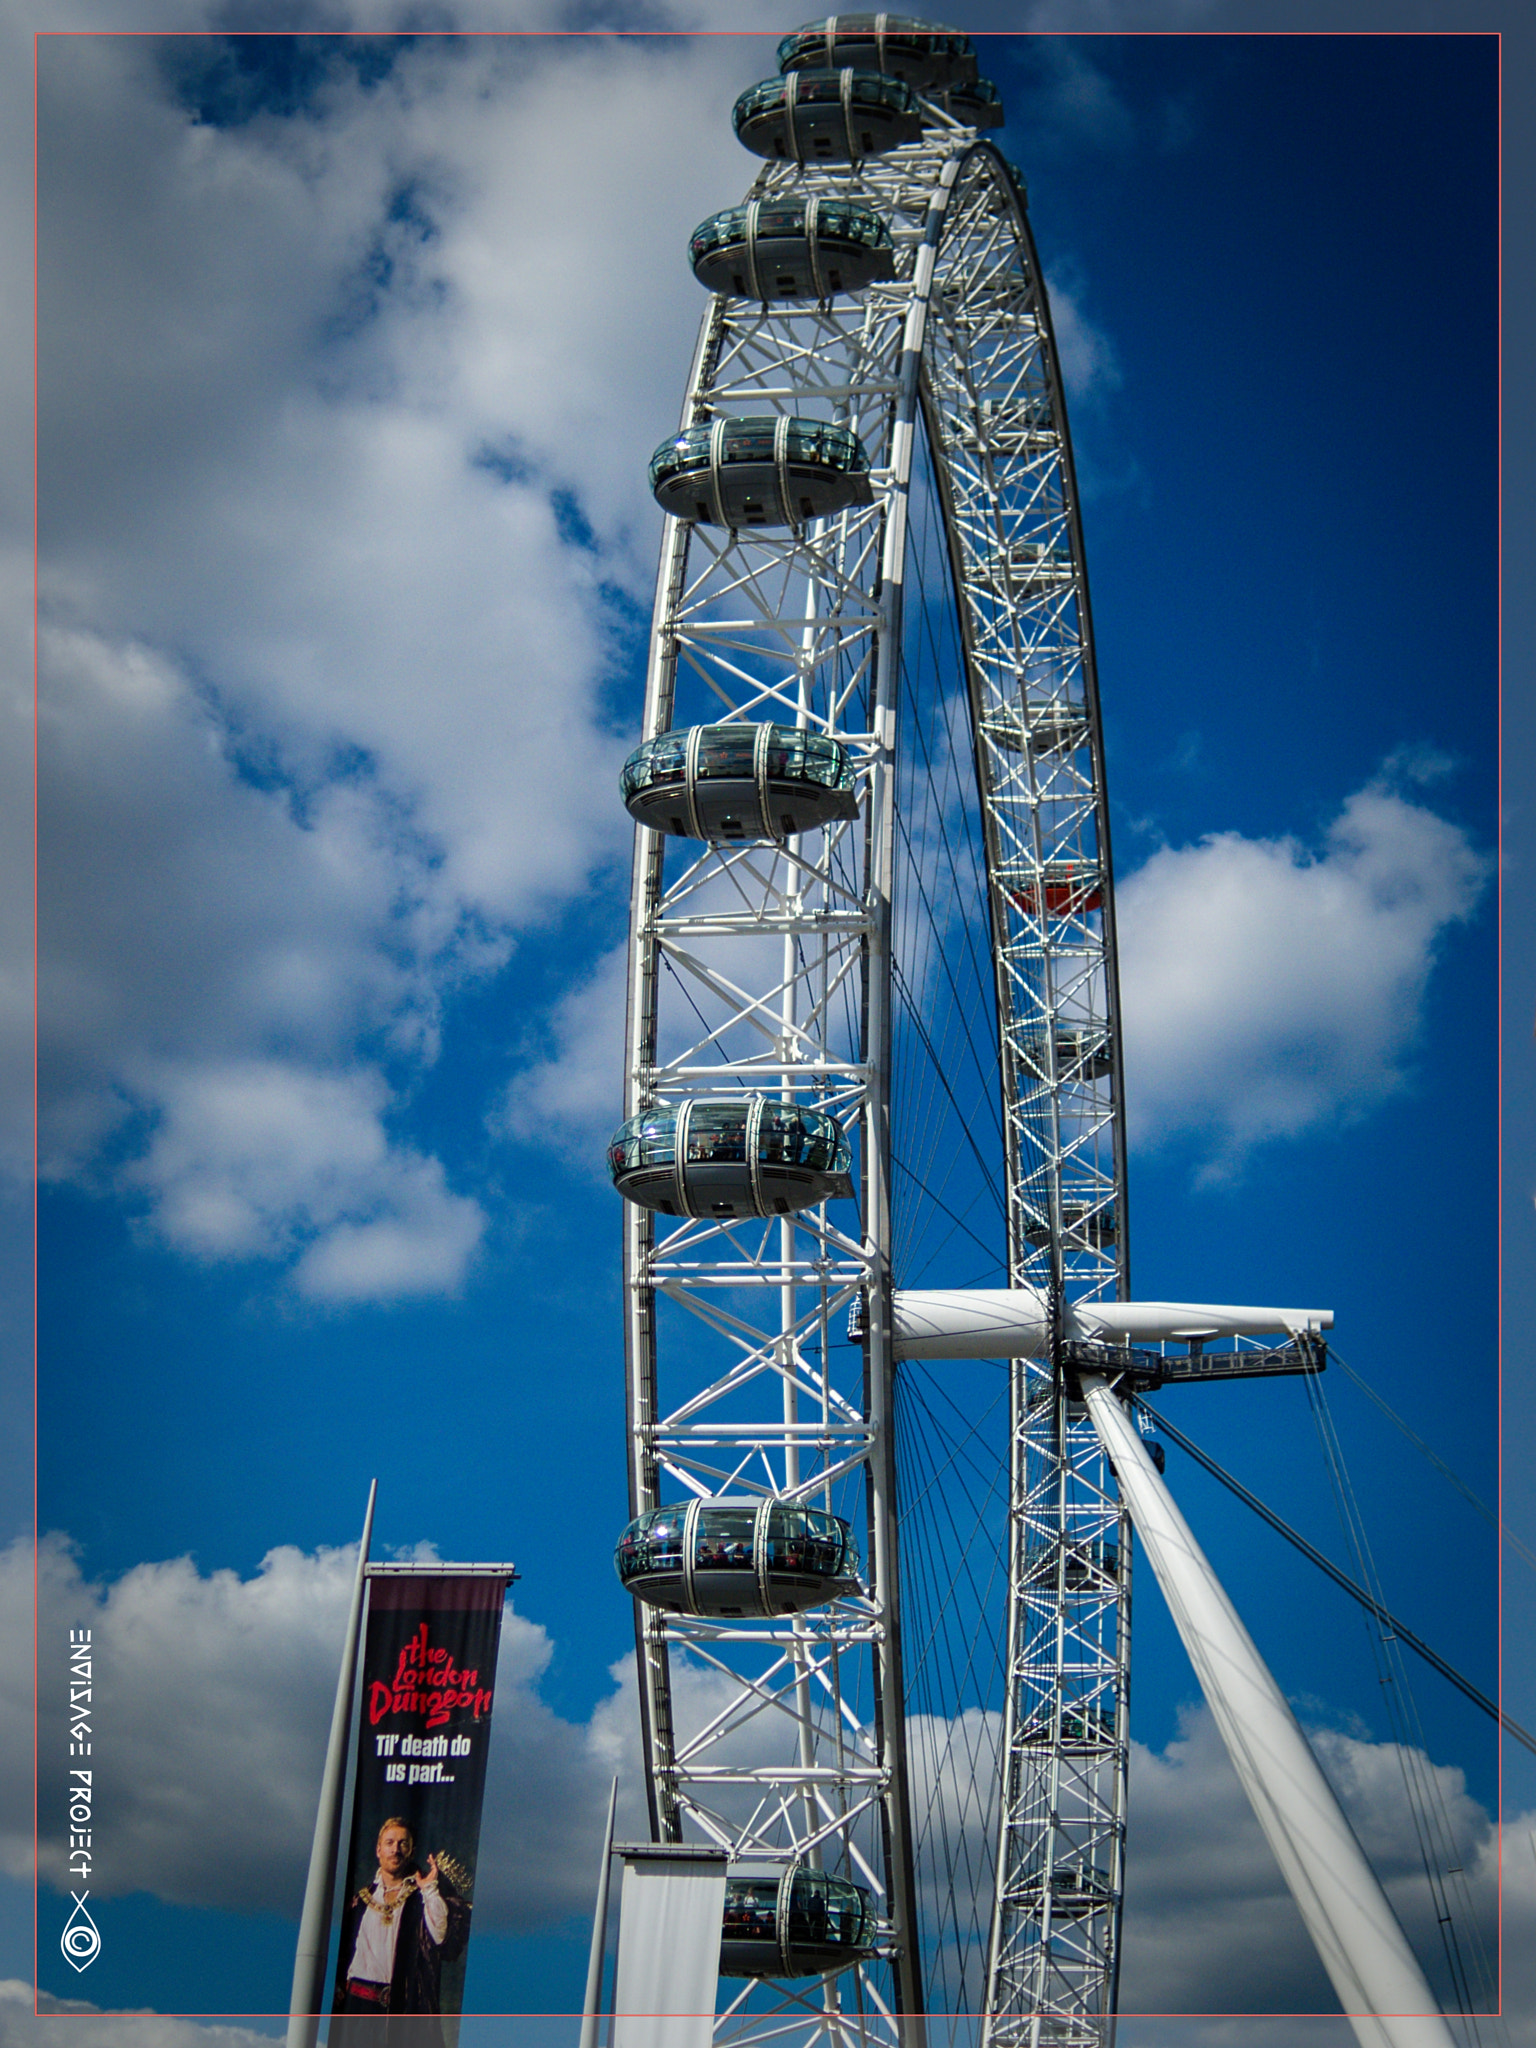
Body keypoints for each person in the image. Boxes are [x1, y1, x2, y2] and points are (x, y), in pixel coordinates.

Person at [331, 1818, 468, 2043]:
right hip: (359, 2008)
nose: (395, 1849)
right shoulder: (359, 1901)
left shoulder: (421, 1897)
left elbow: (440, 1937)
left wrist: (430, 1890)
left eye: (403, 1844)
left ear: (412, 1851)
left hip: (405, 2008)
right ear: (378, 1850)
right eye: (390, 1842)